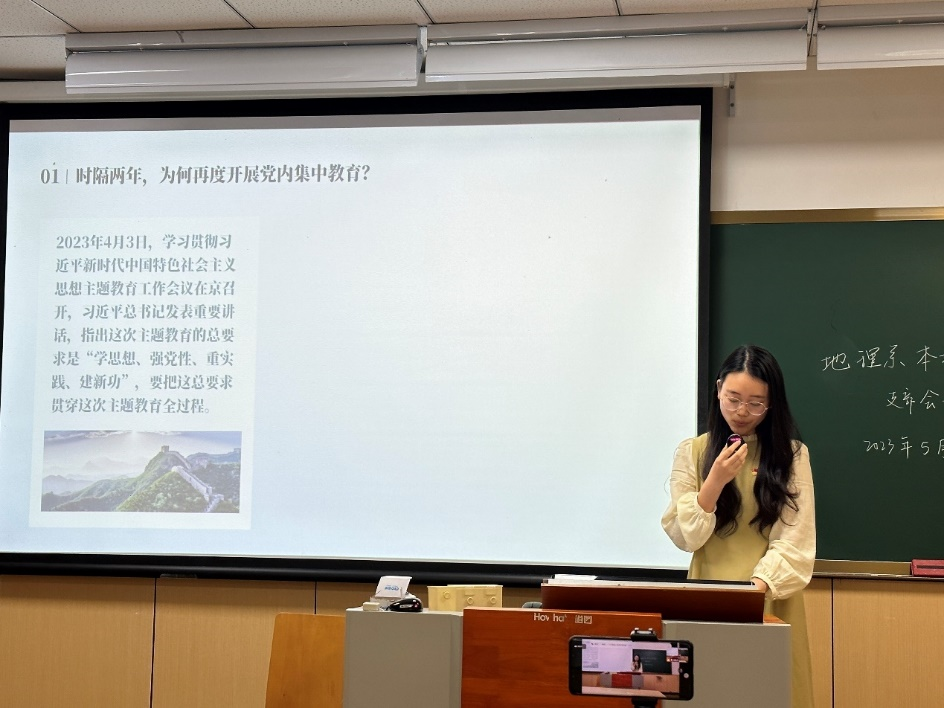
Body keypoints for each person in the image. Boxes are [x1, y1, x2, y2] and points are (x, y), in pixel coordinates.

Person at [661, 344, 815, 708]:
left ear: (771, 404)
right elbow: (685, 537)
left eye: (755, 403)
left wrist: (751, 595)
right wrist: (714, 481)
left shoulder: (792, 456)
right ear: (718, 390)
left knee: (768, 692)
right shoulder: (692, 452)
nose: (742, 412)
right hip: (706, 599)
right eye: (733, 399)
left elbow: (794, 541)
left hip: (769, 598)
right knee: (707, 692)